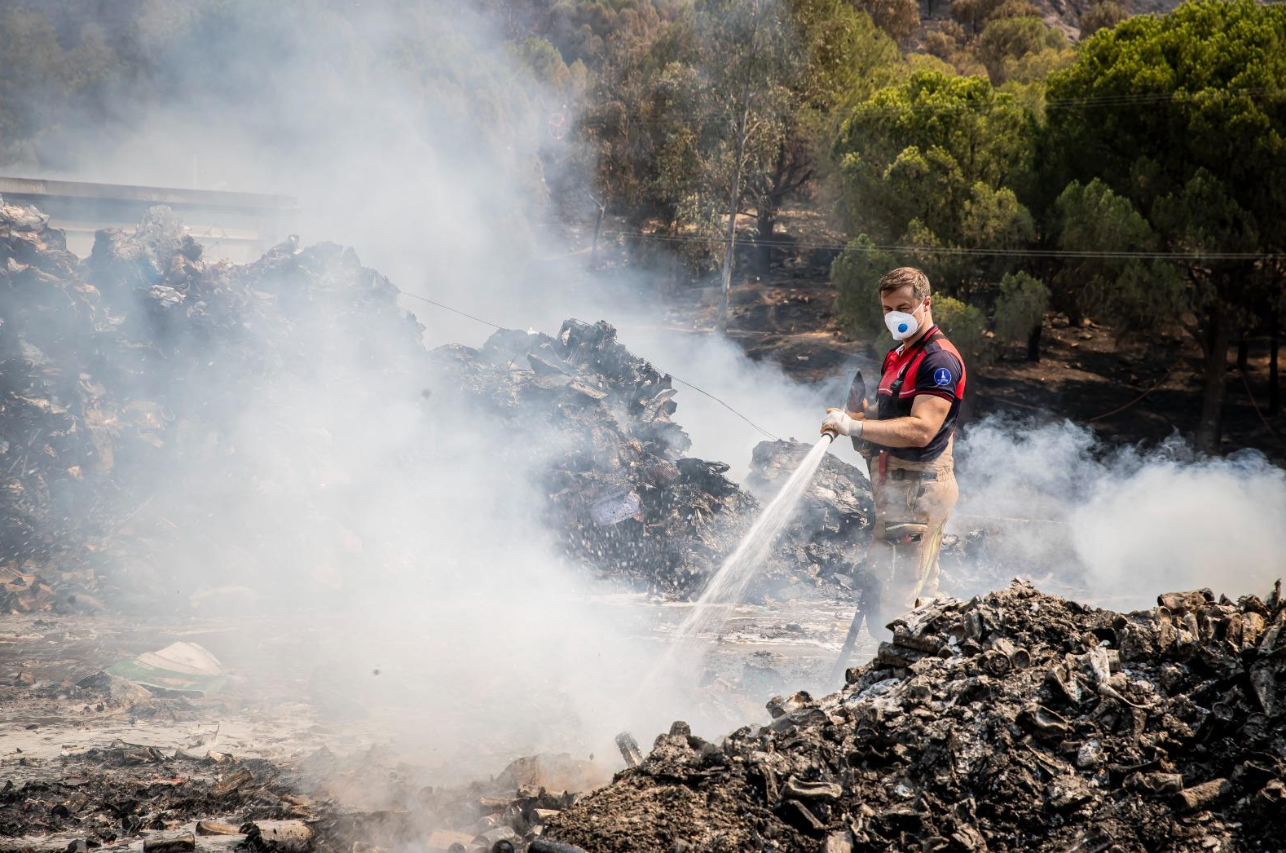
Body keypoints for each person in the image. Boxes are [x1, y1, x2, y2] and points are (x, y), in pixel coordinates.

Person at [820, 267, 966, 629]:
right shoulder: (899, 354)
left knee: (900, 602)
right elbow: (893, 414)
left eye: (903, 306)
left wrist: (855, 425)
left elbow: (921, 429)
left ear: (925, 303)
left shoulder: (939, 361)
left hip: (919, 491)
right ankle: (909, 670)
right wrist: (860, 415)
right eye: (887, 309)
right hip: (897, 490)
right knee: (902, 590)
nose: (894, 316)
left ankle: (907, 676)